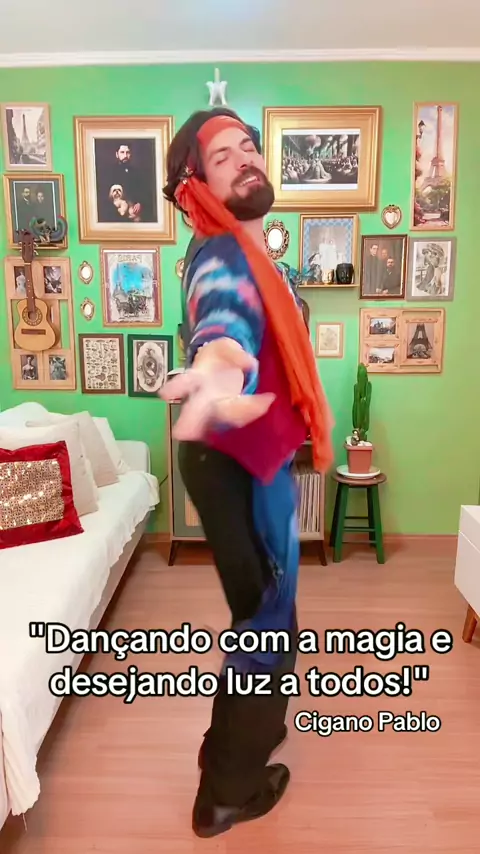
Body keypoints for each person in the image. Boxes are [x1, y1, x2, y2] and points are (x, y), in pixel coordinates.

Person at [161, 107, 334, 838]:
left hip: (253, 458)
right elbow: (222, 324)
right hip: (233, 460)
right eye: (223, 156)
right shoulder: (223, 257)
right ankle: (225, 794)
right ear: (195, 187)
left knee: (268, 616)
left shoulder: (258, 257)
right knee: (266, 623)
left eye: (249, 146)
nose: (246, 158)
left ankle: (239, 737)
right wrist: (219, 367)